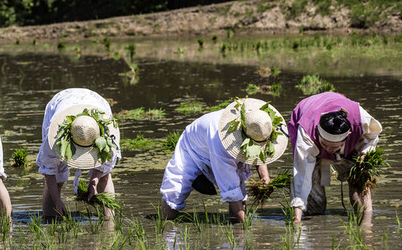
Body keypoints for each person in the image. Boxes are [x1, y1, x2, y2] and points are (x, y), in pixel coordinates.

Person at [161, 98, 288, 223]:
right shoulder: (221, 143)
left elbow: (259, 151)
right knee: (175, 194)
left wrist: (264, 176)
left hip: (214, 143)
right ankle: (164, 226)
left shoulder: (257, 123)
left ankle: (236, 225)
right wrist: (247, 228)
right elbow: (230, 188)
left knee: (240, 192)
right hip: (193, 146)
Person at [288, 92, 382, 223]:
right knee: (314, 196)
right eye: (325, 144)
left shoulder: (360, 118)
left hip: (347, 147)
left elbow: (373, 135)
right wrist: (297, 217)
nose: (328, 150)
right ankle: (316, 221)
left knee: (358, 182)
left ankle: (365, 223)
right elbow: (301, 176)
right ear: (317, 132)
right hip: (307, 114)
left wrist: (364, 157)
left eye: (335, 147)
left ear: (349, 134)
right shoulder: (306, 134)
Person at [36, 88, 121, 218]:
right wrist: (57, 201)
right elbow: (49, 171)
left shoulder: (108, 136)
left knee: (104, 175)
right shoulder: (53, 136)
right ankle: (50, 221)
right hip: (61, 102)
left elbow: (107, 163)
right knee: (57, 176)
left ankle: (109, 223)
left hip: (95, 101)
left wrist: (94, 181)